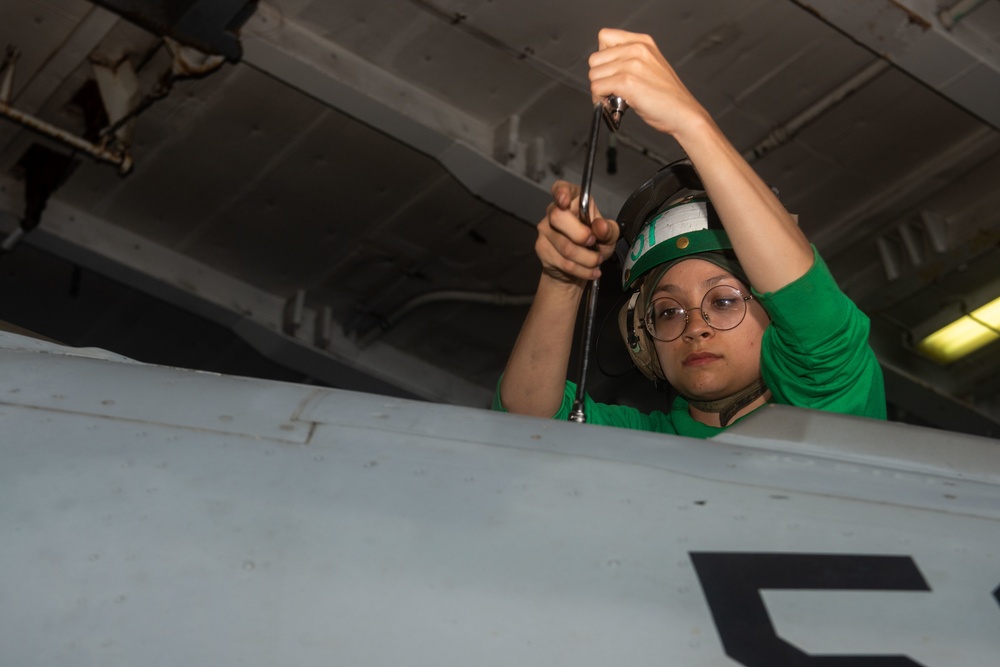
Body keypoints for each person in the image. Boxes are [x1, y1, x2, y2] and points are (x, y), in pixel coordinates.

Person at [493, 28, 886, 437]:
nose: (696, 328)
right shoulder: (634, 442)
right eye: (667, 311)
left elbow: (816, 325)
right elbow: (526, 425)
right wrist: (564, 279)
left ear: (778, 321)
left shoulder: (833, 407)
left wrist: (689, 123)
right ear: (642, 342)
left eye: (724, 301)